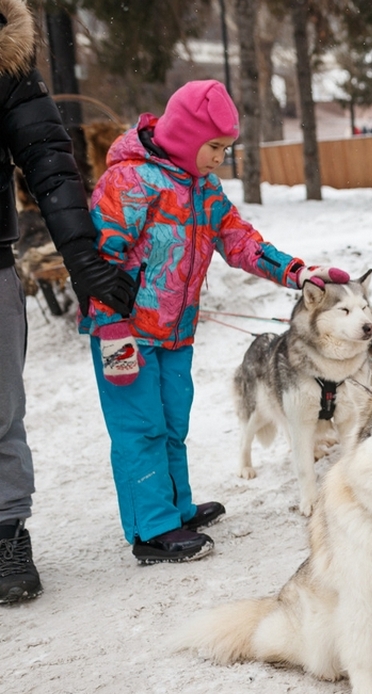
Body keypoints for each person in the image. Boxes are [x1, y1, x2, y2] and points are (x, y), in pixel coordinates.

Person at [84, 80, 347, 565]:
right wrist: (110, 328)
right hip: (125, 333)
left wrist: (299, 272)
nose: (219, 158)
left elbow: (240, 241)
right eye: (214, 147)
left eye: (226, 149)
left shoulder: (203, 188)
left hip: (176, 333)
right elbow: (97, 260)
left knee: (171, 422)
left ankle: (175, 508)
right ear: (185, 136)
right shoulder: (130, 183)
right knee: (139, 428)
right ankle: (152, 529)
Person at [0, 0, 139, 604]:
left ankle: (5, 531)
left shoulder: (5, 43)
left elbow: (49, 163)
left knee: (0, 408)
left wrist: (81, 255)